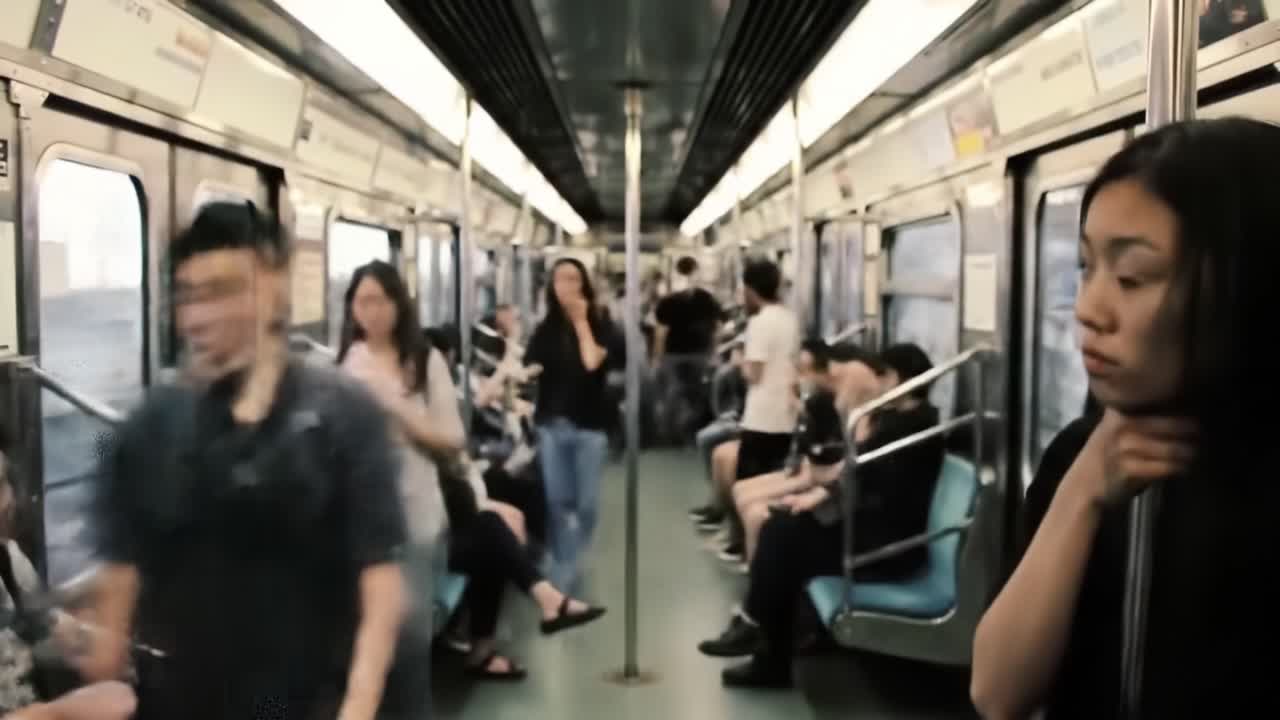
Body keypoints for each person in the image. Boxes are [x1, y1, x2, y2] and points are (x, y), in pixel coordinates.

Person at [971, 118, 1280, 718]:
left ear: (1245, 288)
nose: (1090, 310)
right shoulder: (1080, 456)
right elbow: (998, 691)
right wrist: (1080, 495)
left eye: (1132, 277)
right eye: (1086, 268)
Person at [78, 202, 407, 720]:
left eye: (225, 291)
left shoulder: (341, 415)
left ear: (273, 287)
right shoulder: (151, 427)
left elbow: (380, 578)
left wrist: (359, 706)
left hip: (307, 700)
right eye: (190, 296)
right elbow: (120, 572)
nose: (202, 315)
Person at [339, 262, 603, 683]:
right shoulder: (348, 370)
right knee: (493, 532)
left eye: (380, 300)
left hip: (427, 500)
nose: (370, 311)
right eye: (361, 301)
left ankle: (505, 629)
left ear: (399, 304)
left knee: (493, 529)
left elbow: (451, 438)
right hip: (380, 515)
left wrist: (402, 420)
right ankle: (542, 599)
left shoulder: (425, 362)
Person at [700, 344, 944, 689]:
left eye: (879, 377)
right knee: (780, 529)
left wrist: (821, 501)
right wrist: (817, 504)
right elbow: (853, 478)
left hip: (888, 547)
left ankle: (762, 640)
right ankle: (762, 642)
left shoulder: (911, 428)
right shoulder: (897, 420)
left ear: (894, 378)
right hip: (870, 528)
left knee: (781, 537)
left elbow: (855, 474)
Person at [526, 258, 625, 593]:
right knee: (557, 500)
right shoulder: (545, 329)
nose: (566, 287)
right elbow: (532, 366)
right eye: (559, 281)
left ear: (584, 285)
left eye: (572, 279)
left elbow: (591, 361)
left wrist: (581, 320)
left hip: (590, 425)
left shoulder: (601, 324)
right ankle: (564, 566)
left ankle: (573, 554)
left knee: (587, 504)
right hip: (552, 424)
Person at [719, 259, 800, 563]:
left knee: (748, 483)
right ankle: (759, 550)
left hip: (762, 415)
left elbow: (753, 374)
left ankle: (746, 550)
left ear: (750, 290)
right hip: (785, 414)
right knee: (770, 486)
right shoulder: (789, 318)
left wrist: (739, 359)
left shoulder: (760, 322)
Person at [653, 256, 723, 444]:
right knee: (698, 395)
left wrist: (658, 357)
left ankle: (671, 435)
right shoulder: (706, 298)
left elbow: (661, 331)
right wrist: (714, 353)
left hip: (674, 354)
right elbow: (717, 327)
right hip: (698, 352)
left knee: (673, 395)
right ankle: (691, 432)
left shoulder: (668, 299)